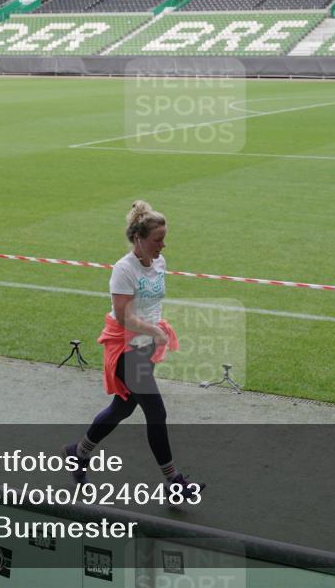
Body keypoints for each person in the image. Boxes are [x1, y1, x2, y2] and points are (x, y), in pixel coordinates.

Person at [64, 201, 202, 497]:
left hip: (146, 345)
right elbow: (124, 315)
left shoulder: (159, 262)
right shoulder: (123, 270)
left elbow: (151, 302)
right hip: (126, 346)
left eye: (164, 238)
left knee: (123, 406)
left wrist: (154, 332)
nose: (163, 245)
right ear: (138, 239)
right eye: (157, 240)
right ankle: (173, 482)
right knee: (156, 411)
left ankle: (79, 451)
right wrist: (153, 330)